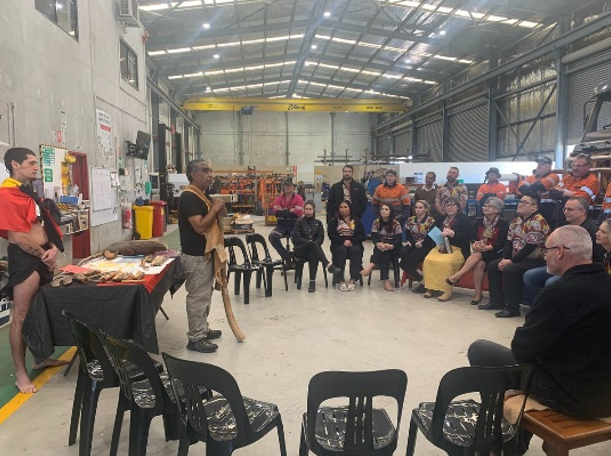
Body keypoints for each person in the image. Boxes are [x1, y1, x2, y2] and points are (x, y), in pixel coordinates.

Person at [468, 225, 611, 454]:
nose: (545, 255)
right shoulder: (605, 282)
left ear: (561, 251)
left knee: (481, 350)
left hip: (573, 397)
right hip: (605, 392)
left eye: (547, 250)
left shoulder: (559, 292)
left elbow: (523, 349)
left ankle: (506, 441)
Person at [0, 147, 67, 393]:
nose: (36, 167)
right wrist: (44, 256)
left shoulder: (27, 193)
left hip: (41, 255)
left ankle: (40, 358)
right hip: (25, 259)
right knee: (20, 316)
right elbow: (18, 237)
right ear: (15, 165)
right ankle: (20, 374)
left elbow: (40, 226)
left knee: (39, 309)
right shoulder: (7, 194)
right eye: (30, 163)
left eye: (36, 162)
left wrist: (51, 248)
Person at [178, 159, 227, 354]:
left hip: (204, 254)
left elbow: (208, 220)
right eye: (205, 171)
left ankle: (202, 328)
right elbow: (198, 226)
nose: (210, 175)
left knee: (205, 294)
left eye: (211, 170)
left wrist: (216, 212)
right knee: (198, 296)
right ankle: (196, 338)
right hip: (195, 256)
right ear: (193, 174)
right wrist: (214, 209)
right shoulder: (189, 197)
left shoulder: (202, 195)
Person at [522, 197, 606, 305]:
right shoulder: (566, 227)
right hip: (561, 263)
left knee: (551, 282)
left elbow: (595, 258)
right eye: (565, 209)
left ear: (582, 211)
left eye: (570, 209)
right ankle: (541, 309)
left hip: (579, 270)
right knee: (530, 276)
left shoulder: (592, 231)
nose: (565, 212)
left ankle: (555, 313)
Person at [479, 193, 550, 318]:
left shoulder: (538, 221)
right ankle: (496, 301)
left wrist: (510, 261)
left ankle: (512, 308)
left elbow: (530, 247)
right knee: (493, 265)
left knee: (510, 269)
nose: (520, 204)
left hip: (534, 260)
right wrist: (505, 258)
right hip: (516, 258)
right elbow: (509, 242)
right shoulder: (516, 221)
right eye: (520, 202)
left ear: (534, 207)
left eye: (524, 202)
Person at [445, 197, 509, 305]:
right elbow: (472, 237)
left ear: (497, 210)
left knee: (479, 255)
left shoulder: (503, 223)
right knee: (479, 264)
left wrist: (489, 247)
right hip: (481, 251)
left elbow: (502, 241)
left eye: (489, 206)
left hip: (495, 252)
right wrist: (474, 243)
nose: (486, 208)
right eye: (485, 206)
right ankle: (477, 294)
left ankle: (457, 276)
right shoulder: (478, 221)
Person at [421, 197, 471, 301]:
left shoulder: (464, 219)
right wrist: (439, 234)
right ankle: (430, 287)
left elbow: (468, 236)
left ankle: (446, 290)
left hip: (457, 249)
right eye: (447, 205)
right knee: (428, 260)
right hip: (441, 247)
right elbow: (432, 230)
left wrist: (453, 234)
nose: (450, 207)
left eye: (452, 205)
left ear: (458, 207)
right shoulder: (441, 218)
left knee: (446, 263)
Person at [292, 200, 341, 292]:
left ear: (314, 210)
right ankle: (328, 264)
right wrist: (310, 243)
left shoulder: (318, 223)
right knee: (311, 244)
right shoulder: (299, 222)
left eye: (310, 209)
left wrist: (313, 244)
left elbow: (321, 238)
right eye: (306, 209)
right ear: (304, 210)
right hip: (300, 250)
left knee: (313, 254)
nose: (308, 211)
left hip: (313, 250)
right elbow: (297, 238)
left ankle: (312, 282)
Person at [361, 203, 403, 291]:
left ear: (391, 211)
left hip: (394, 246)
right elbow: (374, 237)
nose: (383, 211)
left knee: (384, 252)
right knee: (384, 254)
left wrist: (391, 245)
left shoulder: (396, 223)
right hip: (382, 245)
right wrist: (377, 243)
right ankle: (385, 281)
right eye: (382, 209)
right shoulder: (376, 222)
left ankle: (370, 266)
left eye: (386, 209)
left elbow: (399, 239)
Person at [550, 153, 600, 226]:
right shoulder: (567, 178)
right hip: (561, 215)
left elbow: (580, 198)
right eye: (573, 165)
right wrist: (570, 193)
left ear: (588, 167)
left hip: (579, 219)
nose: (575, 168)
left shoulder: (592, 181)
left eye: (579, 166)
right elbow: (553, 193)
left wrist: (562, 193)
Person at [399, 200, 436, 294]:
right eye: (416, 207)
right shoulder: (410, 220)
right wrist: (411, 242)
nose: (418, 210)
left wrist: (422, 243)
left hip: (426, 245)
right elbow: (407, 233)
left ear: (426, 209)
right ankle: (421, 276)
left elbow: (432, 237)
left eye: (420, 208)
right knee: (402, 253)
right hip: (413, 243)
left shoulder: (430, 221)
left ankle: (423, 282)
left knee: (405, 263)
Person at [328, 200, 365, 291]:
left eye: (345, 207)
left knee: (355, 251)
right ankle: (340, 279)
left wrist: (351, 241)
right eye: (341, 207)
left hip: (354, 243)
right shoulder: (335, 221)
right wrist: (342, 241)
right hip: (339, 244)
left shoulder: (356, 221)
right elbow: (331, 235)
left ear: (350, 208)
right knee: (341, 250)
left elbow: (362, 235)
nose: (343, 209)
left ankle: (353, 279)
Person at [268, 178, 304, 262]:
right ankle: (286, 255)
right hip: (281, 225)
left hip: (295, 224)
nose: (287, 187)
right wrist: (290, 210)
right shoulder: (279, 198)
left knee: (297, 238)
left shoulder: (299, 199)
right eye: (285, 185)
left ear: (293, 187)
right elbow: (276, 213)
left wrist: (283, 211)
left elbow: (299, 213)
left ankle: (296, 257)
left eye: (289, 185)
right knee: (272, 236)